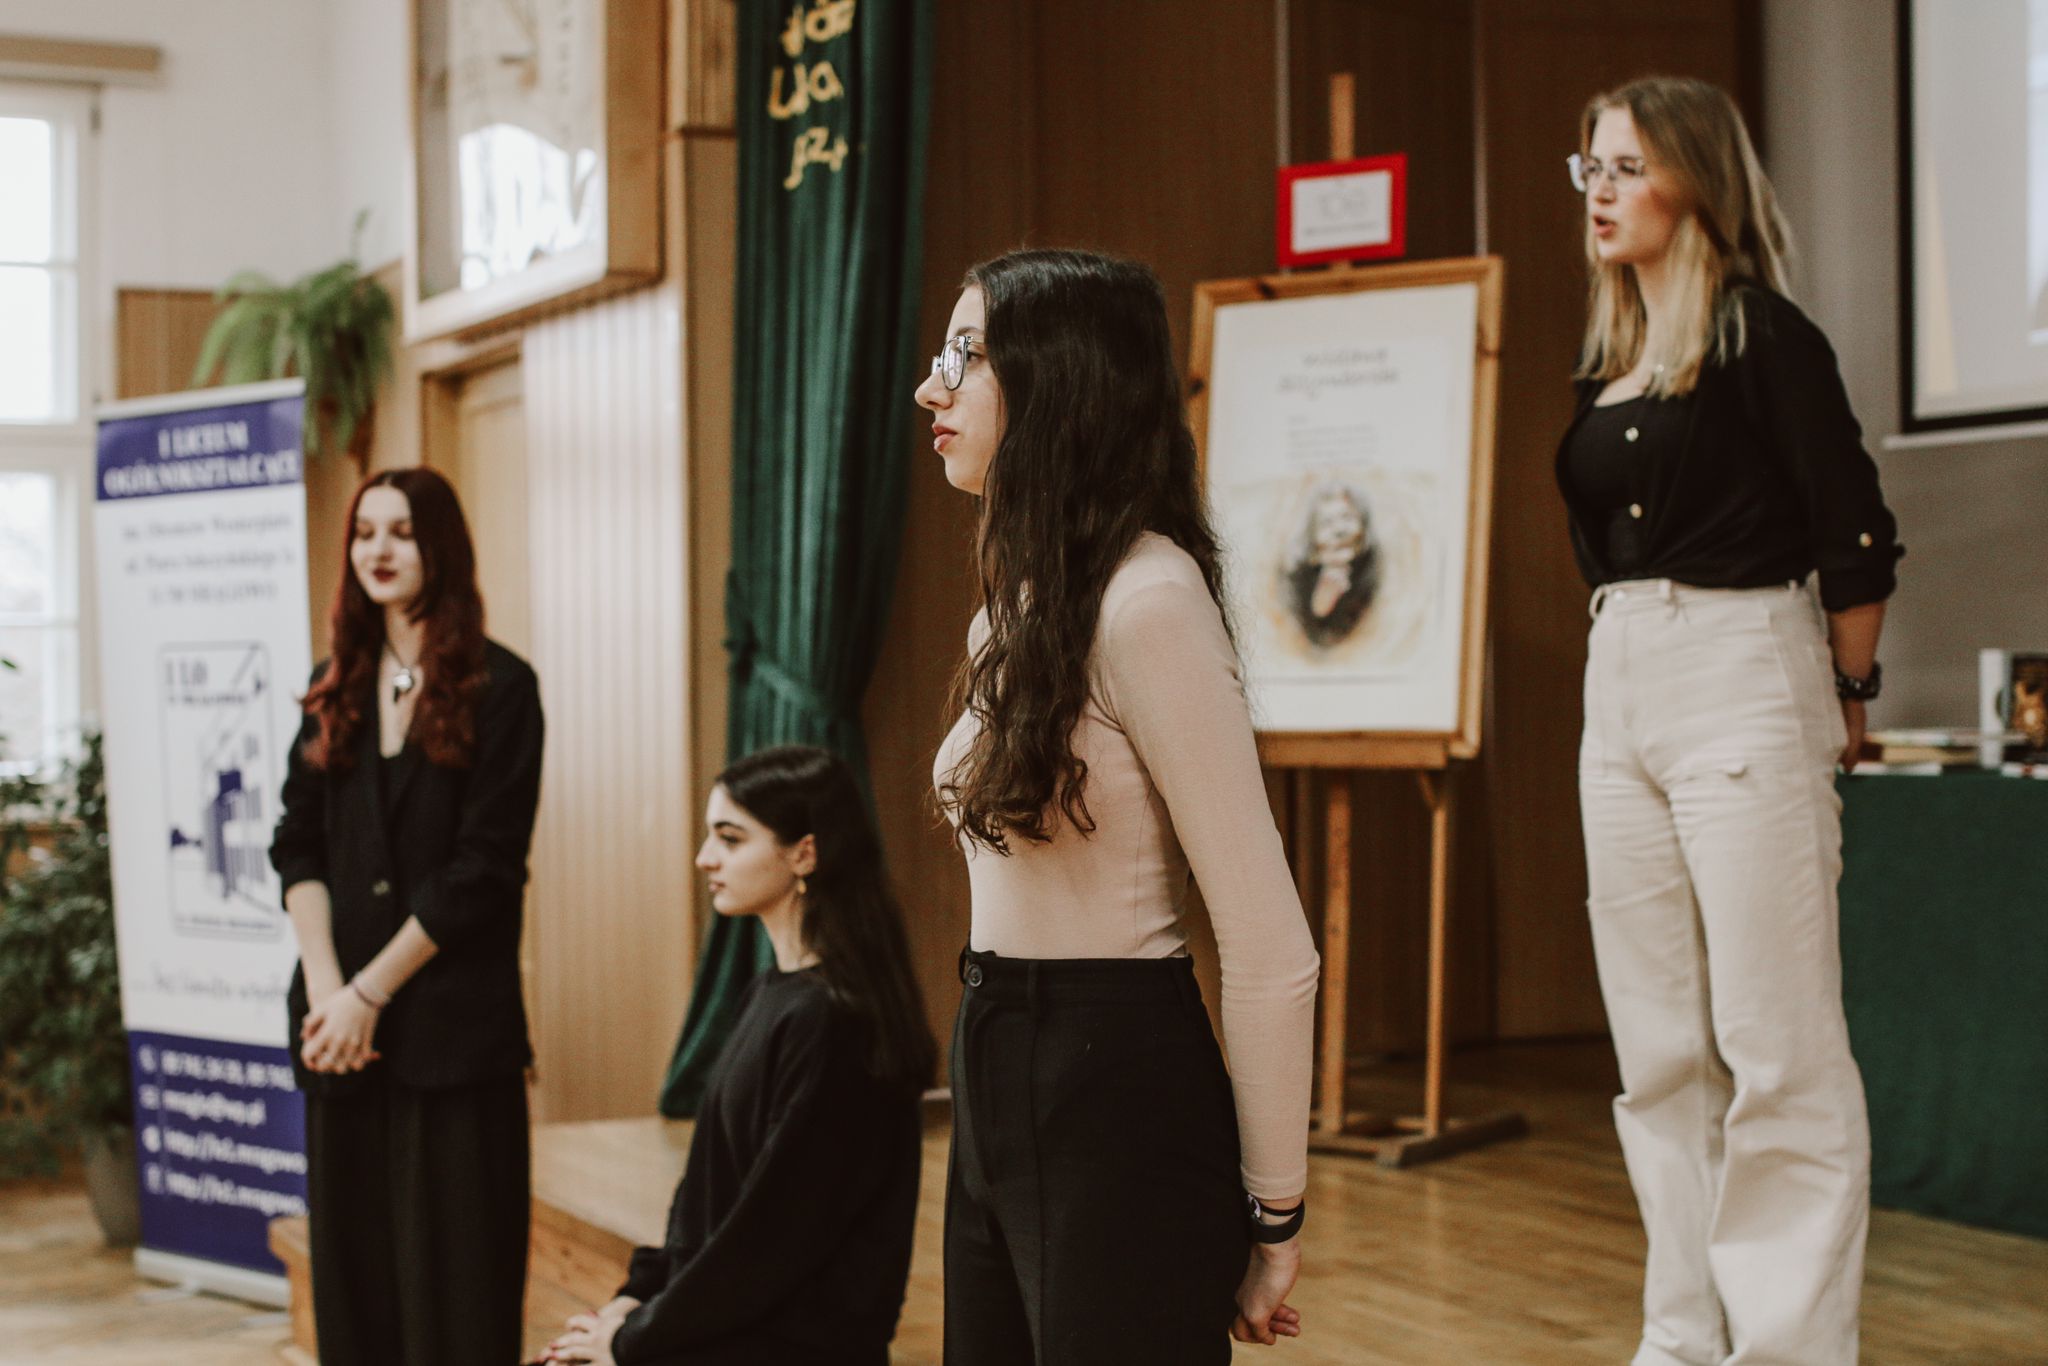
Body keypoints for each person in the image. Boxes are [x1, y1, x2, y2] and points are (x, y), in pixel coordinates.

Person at [915, 248, 1321, 1365]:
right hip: (994, 1050)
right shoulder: (1018, 607)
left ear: (1063, 380)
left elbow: (1269, 945)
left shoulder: (1149, 601)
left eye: (967, 355)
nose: (931, 387)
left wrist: (1274, 1213)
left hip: (1116, 1085)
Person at [1557, 76, 1901, 1365]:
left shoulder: (1761, 334)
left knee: (1774, 1045)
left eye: (1625, 166)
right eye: (1588, 167)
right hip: (1619, 681)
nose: (1597, 191)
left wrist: (1846, 695)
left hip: (1741, 667)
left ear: (1694, 180)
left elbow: (1852, 534)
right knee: (1655, 1051)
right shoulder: (1610, 353)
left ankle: (1788, 1347)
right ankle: (1679, 1335)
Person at [269, 466, 545, 1365]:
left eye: (400, 531)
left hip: (451, 1036)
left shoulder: (503, 687)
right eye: (364, 533)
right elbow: (296, 845)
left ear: (441, 546)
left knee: (458, 1297)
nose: (377, 550)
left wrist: (369, 994)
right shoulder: (332, 685)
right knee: (356, 1294)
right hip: (340, 1039)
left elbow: (482, 870)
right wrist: (330, 994)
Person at [545, 744, 934, 1366]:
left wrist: (635, 1338)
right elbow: (706, 1198)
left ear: (804, 853)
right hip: (729, 1324)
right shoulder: (771, 993)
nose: (705, 858)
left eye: (729, 839)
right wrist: (635, 1298)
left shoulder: (836, 1022)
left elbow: (770, 1243)